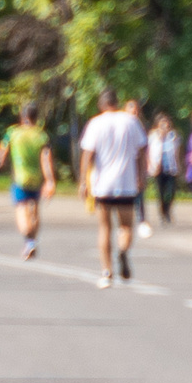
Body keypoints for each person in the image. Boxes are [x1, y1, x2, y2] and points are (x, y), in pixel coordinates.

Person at [77, 88, 149, 287]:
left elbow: (87, 154)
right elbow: (143, 149)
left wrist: (83, 181)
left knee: (105, 228)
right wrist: (142, 175)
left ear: (101, 104)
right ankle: (124, 251)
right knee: (126, 225)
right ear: (117, 102)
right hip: (126, 183)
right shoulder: (131, 121)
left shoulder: (95, 123)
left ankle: (106, 271)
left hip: (103, 185)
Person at [3, 103, 56, 261]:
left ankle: (28, 239)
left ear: (22, 116)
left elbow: (2, 151)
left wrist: (0, 160)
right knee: (34, 209)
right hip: (36, 178)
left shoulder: (13, 133)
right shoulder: (41, 135)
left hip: (20, 177)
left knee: (22, 208)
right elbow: (46, 158)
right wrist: (50, 179)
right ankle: (32, 241)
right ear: (36, 117)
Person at [149, 111, 180, 224]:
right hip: (158, 168)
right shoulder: (153, 136)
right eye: (162, 123)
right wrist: (150, 165)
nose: (165, 125)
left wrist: (179, 166)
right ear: (158, 124)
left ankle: (167, 210)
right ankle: (163, 213)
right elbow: (148, 153)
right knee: (161, 193)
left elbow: (177, 152)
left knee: (171, 192)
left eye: (166, 123)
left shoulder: (174, 136)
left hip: (171, 168)